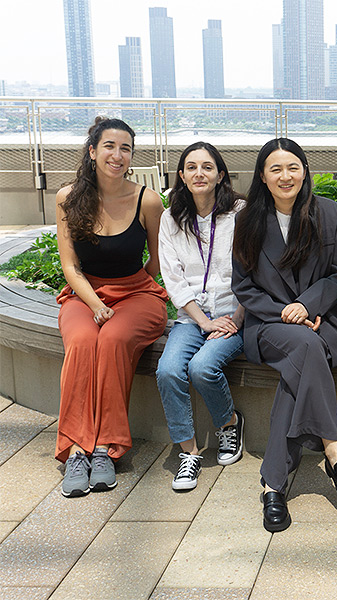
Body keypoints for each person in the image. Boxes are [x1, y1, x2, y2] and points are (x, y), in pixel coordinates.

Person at [232, 138, 337, 532]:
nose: (285, 176)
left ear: (305, 170)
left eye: (292, 167)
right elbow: (243, 286)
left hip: (320, 320)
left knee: (300, 366)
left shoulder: (328, 212)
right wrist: (285, 313)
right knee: (307, 346)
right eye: (275, 169)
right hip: (269, 324)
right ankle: (334, 449)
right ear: (262, 176)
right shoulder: (247, 221)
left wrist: (308, 305)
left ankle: (273, 486)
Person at [55, 117, 168, 497]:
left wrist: (133, 288)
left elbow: (157, 260)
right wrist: (95, 304)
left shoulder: (147, 199)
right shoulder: (68, 198)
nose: (117, 155)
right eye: (109, 146)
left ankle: (105, 447)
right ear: (92, 151)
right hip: (84, 294)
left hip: (137, 295)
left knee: (114, 340)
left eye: (125, 148)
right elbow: (70, 266)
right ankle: (76, 449)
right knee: (83, 342)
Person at [156, 142, 246, 492]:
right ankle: (189, 452)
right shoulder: (170, 219)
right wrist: (203, 321)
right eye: (191, 167)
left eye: (207, 167)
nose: (199, 173)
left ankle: (229, 423)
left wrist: (237, 318)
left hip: (235, 314)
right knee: (167, 370)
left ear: (220, 175)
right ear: (181, 175)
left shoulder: (240, 213)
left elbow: (254, 271)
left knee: (202, 367)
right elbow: (173, 278)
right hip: (192, 318)